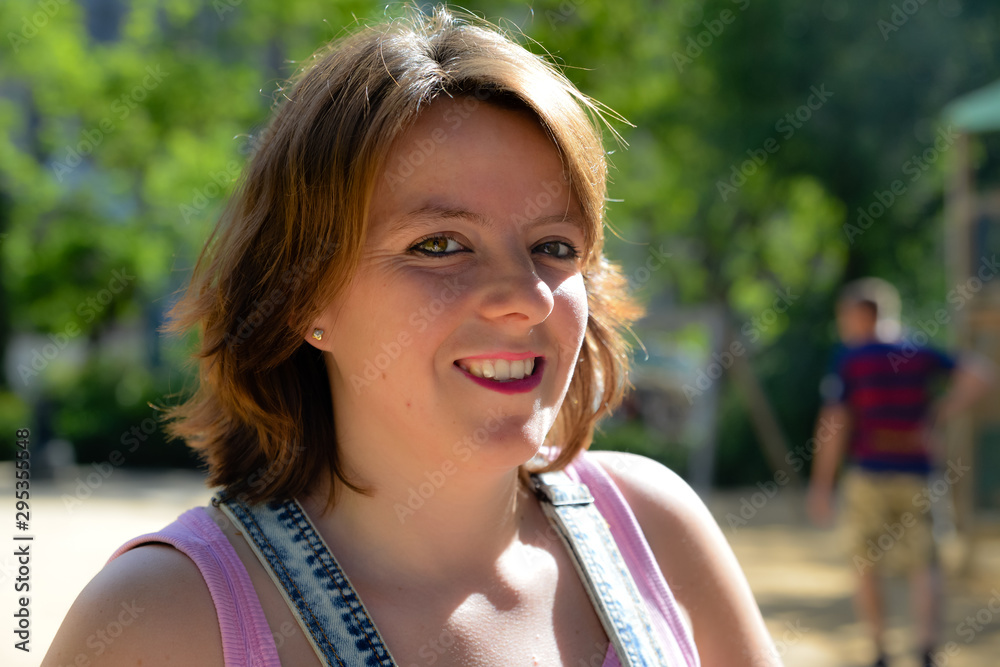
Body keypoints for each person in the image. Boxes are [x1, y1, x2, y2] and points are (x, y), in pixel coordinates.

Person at [43, 7, 777, 666]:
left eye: (554, 245)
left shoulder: (655, 530)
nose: (525, 297)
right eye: (439, 244)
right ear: (302, 296)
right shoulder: (161, 622)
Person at [807, 277, 993, 667]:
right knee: (925, 564)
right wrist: (940, 414)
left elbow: (834, 424)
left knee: (865, 561)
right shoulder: (918, 351)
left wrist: (821, 484)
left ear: (860, 315)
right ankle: (927, 651)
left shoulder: (852, 358)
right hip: (919, 474)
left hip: (868, 475)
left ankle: (880, 651)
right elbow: (981, 373)